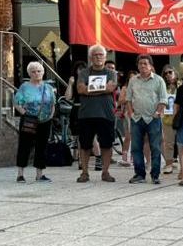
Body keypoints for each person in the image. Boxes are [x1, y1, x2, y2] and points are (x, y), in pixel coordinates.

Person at [71, 45, 118, 183]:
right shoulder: (84, 73)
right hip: (86, 114)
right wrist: (102, 89)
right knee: (85, 145)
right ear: (91, 57)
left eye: (101, 55)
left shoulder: (111, 73)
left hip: (106, 113)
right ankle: (84, 173)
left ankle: (105, 172)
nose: (98, 57)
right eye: (95, 55)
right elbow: (80, 90)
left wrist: (90, 89)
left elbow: (111, 87)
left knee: (107, 144)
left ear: (105, 57)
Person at [126, 55, 168, 184]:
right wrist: (131, 114)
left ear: (150, 65)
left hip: (153, 119)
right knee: (135, 148)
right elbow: (128, 99)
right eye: (140, 63)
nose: (143, 65)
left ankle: (155, 175)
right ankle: (139, 174)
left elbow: (163, 99)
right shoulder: (133, 80)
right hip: (137, 118)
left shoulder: (159, 80)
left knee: (155, 147)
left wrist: (158, 112)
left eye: (145, 63)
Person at [13, 61, 56, 184]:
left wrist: (51, 116)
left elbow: (53, 103)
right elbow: (17, 102)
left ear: (43, 72)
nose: (36, 73)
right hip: (29, 120)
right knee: (24, 145)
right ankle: (20, 174)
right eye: (33, 71)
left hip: (45, 120)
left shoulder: (47, 87)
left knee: (42, 146)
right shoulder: (25, 86)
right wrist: (24, 113)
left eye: (39, 71)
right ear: (29, 73)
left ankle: (39, 174)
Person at [161, 65, 178, 175]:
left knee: (182, 144)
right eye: (165, 73)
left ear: (175, 73)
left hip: (180, 118)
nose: (168, 75)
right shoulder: (162, 87)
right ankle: (169, 164)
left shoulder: (182, 86)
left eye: (170, 72)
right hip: (167, 118)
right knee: (168, 143)